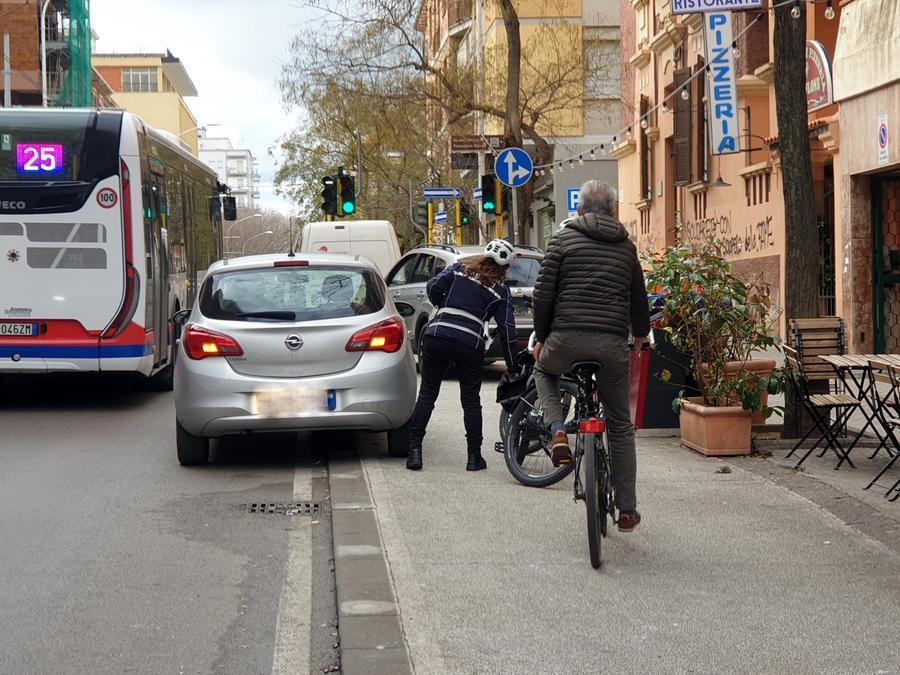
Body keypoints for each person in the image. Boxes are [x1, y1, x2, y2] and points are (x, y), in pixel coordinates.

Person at [531, 180, 651, 533]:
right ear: (614, 211)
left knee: (544, 371)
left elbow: (542, 296)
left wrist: (542, 338)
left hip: (565, 341)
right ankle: (627, 510)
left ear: (579, 210)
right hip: (612, 347)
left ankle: (557, 433)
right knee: (619, 426)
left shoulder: (562, 241)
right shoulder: (627, 248)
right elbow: (638, 301)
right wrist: (640, 336)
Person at [407, 240, 522, 472]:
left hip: (436, 335)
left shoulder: (459, 269)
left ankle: (414, 453)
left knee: (428, 393)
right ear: (505, 267)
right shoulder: (501, 290)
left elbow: (433, 286)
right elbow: (508, 330)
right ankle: (473, 457)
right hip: (469, 343)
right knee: (470, 400)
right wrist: (513, 366)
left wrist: (443, 303)